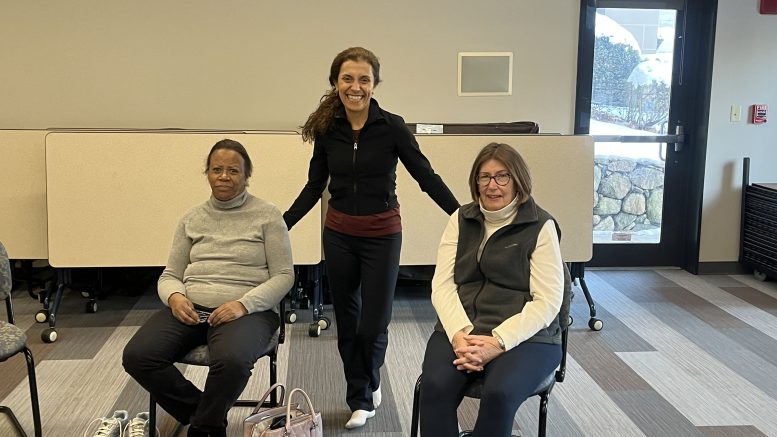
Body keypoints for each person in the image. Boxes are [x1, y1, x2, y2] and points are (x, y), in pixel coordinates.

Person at [283, 46, 460, 429]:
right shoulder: (329, 131)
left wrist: (464, 215)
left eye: (364, 79)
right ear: (335, 83)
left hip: (383, 235)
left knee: (374, 323)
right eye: (348, 78)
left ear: (375, 84)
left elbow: (425, 177)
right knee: (347, 320)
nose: (356, 86)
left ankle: (370, 376)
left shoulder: (392, 127)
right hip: (340, 235)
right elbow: (315, 186)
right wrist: (284, 223)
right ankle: (360, 397)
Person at [122, 139, 294, 437]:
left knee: (231, 361)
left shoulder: (267, 215)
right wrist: (175, 297)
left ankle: (203, 428)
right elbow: (170, 274)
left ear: (246, 176)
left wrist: (243, 304)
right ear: (207, 173)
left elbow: (283, 275)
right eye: (217, 169)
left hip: (247, 311)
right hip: (191, 308)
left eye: (233, 170)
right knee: (138, 356)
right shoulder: (192, 218)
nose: (224, 176)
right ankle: (203, 413)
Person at [419, 142, 565, 436]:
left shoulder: (540, 225)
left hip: (528, 336)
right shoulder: (461, 219)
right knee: (434, 387)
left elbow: (547, 301)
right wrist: (460, 334)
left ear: (518, 181)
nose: (492, 185)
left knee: (499, 393)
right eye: (484, 177)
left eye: (503, 176)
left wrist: (497, 342)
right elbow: (443, 284)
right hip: (464, 329)